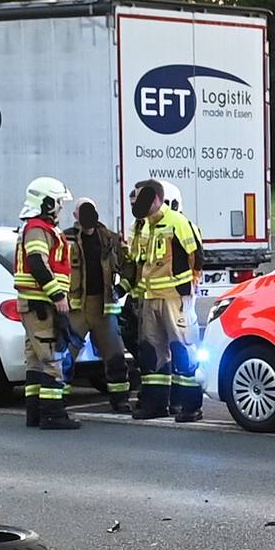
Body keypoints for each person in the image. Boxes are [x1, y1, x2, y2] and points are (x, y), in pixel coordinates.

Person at [123, 177, 204, 422]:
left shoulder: (177, 222)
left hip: (174, 299)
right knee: (151, 352)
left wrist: (187, 288)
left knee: (184, 350)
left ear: (156, 198)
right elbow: (140, 262)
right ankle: (156, 404)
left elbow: (196, 256)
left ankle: (190, 406)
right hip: (151, 298)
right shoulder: (144, 226)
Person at [12, 177, 81, 431]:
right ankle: (53, 415)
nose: (60, 208)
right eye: (58, 203)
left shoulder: (37, 228)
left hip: (34, 304)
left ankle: (35, 413)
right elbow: (37, 263)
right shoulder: (38, 228)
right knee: (52, 358)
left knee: (35, 360)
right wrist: (58, 296)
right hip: (41, 304)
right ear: (47, 202)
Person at [63, 199, 134, 413]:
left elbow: (129, 266)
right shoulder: (65, 239)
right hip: (76, 308)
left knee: (115, 356)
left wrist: (121, 289)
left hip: (104, 308)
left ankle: (120, 400)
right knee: (65, 356)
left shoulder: (110, 239)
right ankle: (57, 402)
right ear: (75, 216)